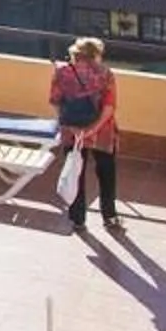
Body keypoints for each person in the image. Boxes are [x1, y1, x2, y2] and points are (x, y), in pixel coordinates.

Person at [49, 34, 119, 232]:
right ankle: (110, 216)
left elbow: (55, 101)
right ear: (96, 54)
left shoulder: (62, 72)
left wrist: (72, 128)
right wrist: (92, 130)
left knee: (75, 172)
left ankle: (78, 219)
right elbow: (109, 107)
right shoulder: (106, 74)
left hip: (72, 131)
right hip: (102, 133)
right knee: (106, 174)